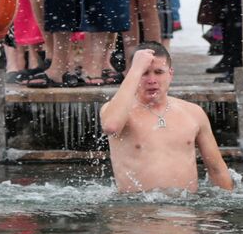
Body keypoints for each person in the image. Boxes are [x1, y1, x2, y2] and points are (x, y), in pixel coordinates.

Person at [100, 43, 235, 193]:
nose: (152, 80)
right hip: (136, 211)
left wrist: (225, 209)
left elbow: (217, 169)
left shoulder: (193, 112)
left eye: (158, 72)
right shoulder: (118, 111)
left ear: (170, 73)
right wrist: (136, 68)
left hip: (186, 211)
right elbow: (111, 126)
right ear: (132, 75)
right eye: (144, 73)